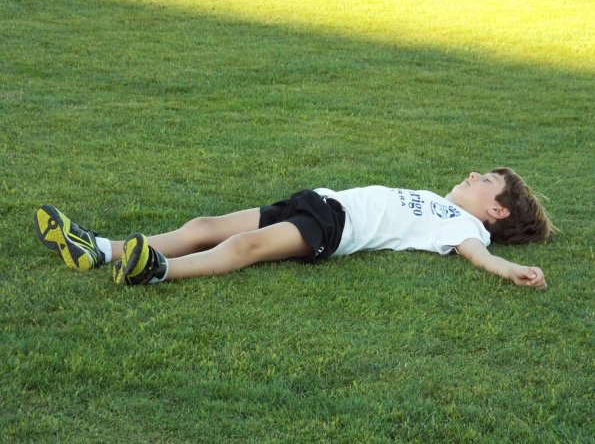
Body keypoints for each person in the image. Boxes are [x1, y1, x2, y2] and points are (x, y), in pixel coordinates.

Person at [34, 167, 553, 289]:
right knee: (205, 224)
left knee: (246, 245)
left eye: (486, 180)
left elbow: (479, 256)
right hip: (319, 201)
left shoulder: (465, 228)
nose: (473, 175)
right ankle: (99, 248)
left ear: (498, 212)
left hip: (335, 227)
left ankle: (158, 269)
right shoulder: (435, 200)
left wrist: (510, 270)